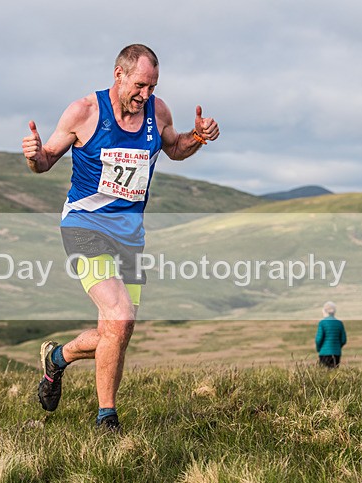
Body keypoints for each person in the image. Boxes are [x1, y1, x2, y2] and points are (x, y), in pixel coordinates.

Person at [21, 44, 220, 431]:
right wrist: (33, 154)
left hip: (130, 237)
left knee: (117, 331)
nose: (146, 95)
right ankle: (106, 419)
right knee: (121, 316)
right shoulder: (84, 112)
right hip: (85, 227)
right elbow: (44, 162)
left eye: (153, 86)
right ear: (119, 75)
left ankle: (57, 358)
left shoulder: (157, 111)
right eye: (140, 85)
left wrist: (197, 135)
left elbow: (175, 148)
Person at [315, 301, 347, 368]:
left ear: (325, 311)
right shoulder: (339, 323)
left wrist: (318, 349)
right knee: (334, 373)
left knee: (324, 374)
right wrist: (337, 347)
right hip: (336, 353)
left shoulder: (322, 323)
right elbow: (343, 340)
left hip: (324, 352)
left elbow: (319, 339)